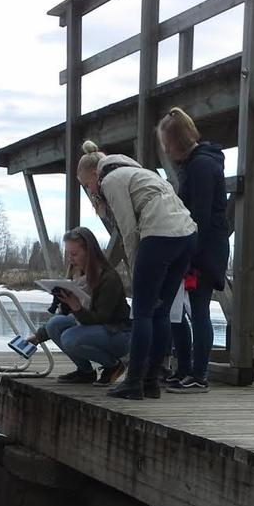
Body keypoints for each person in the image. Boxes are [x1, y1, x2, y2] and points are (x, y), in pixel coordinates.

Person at [77, 140, 197, 400]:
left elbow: (128, 230)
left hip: (159, 234)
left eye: (87, 185)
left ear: (95, 174)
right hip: (186, 235)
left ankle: (133, 382)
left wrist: (135, 267)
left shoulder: (111, 180)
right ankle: (151, 381)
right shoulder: (139, 172)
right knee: (161, 312)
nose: (90, 192)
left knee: (142, 312)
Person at [158, 107, 228, 394]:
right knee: (180, 314)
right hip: (201, 249)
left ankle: (198, 375)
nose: (165, 149)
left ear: (176, 142)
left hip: (202, 252)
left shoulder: (200, 167)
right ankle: (185, 369)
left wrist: (187, 256)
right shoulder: (201, 164)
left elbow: (197, 217)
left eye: (167, 143)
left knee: (198, 313)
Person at [27, 226, 131, 386]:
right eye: (68, 253)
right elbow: (66, 315)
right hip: (94, 327)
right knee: (55, 324)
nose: (70, 258)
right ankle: (85, 372)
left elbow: (100, 318)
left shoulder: (108, 278)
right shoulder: (78, 275)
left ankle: (114, 365)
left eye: (74, 254)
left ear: (89, 252)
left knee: (70, 338)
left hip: (117, 333)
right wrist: (39, 335)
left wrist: (76, 307)